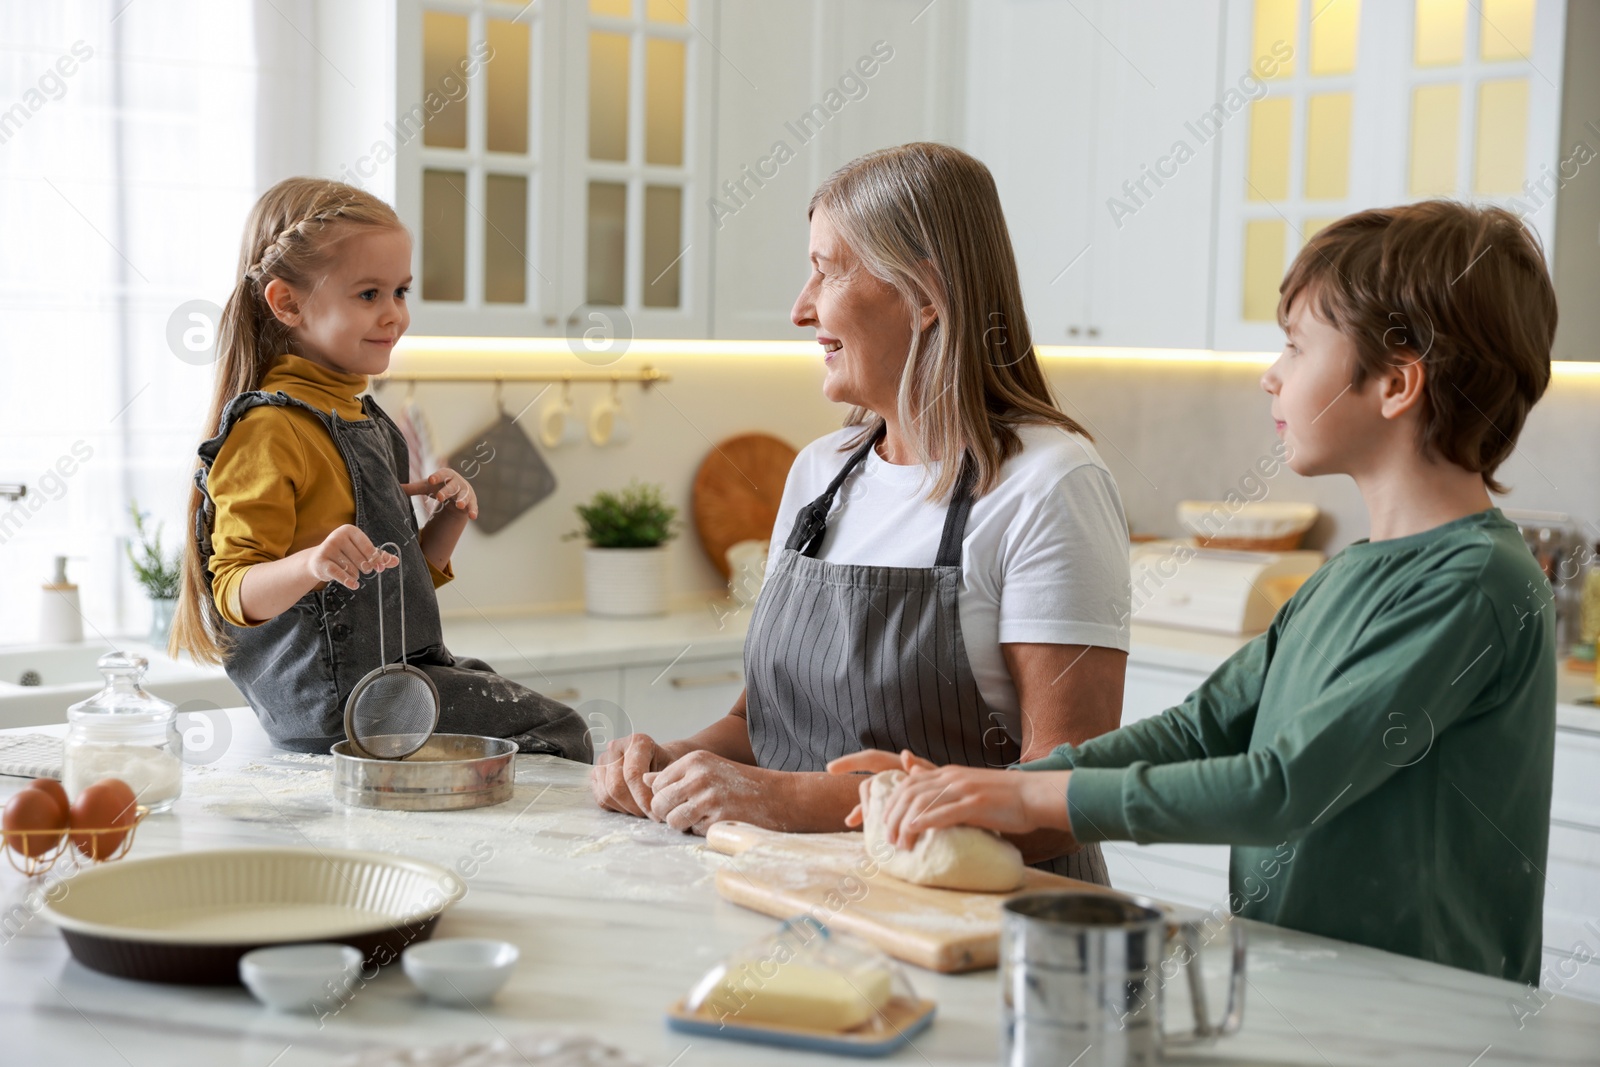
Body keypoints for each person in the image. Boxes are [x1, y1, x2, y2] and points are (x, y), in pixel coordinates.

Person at [838, 199, 1558, 983]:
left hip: (1428, 1021)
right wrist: (987, 787)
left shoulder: (1474, 585)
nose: (1270, 375)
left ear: (1395, 383)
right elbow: (1200, 729)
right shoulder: (1349, 574)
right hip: (1310, 992)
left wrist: (1026, 806)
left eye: (1294, 345)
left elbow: (1281, 786)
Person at [591, 143, 1132, 883]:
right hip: (803, 901)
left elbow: (1069, 795)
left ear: (926, 293)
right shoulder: (822, 472)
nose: (800, 307)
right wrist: (680, 760)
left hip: (986, 926)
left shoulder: (1049, 483)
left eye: (827, 268)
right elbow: (762, 726)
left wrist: (786, 800)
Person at [169, 177, 591, 761]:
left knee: (507, 717)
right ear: (287, 303)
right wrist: (311, 564)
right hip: (338, 702)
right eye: (368, 294)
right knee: (558, 732)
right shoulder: (271, 430)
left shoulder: (360, 416)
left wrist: (445, 524)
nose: (394, 314)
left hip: (386, 683)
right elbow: (234, 592)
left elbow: (390, 583)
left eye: (401, 291)